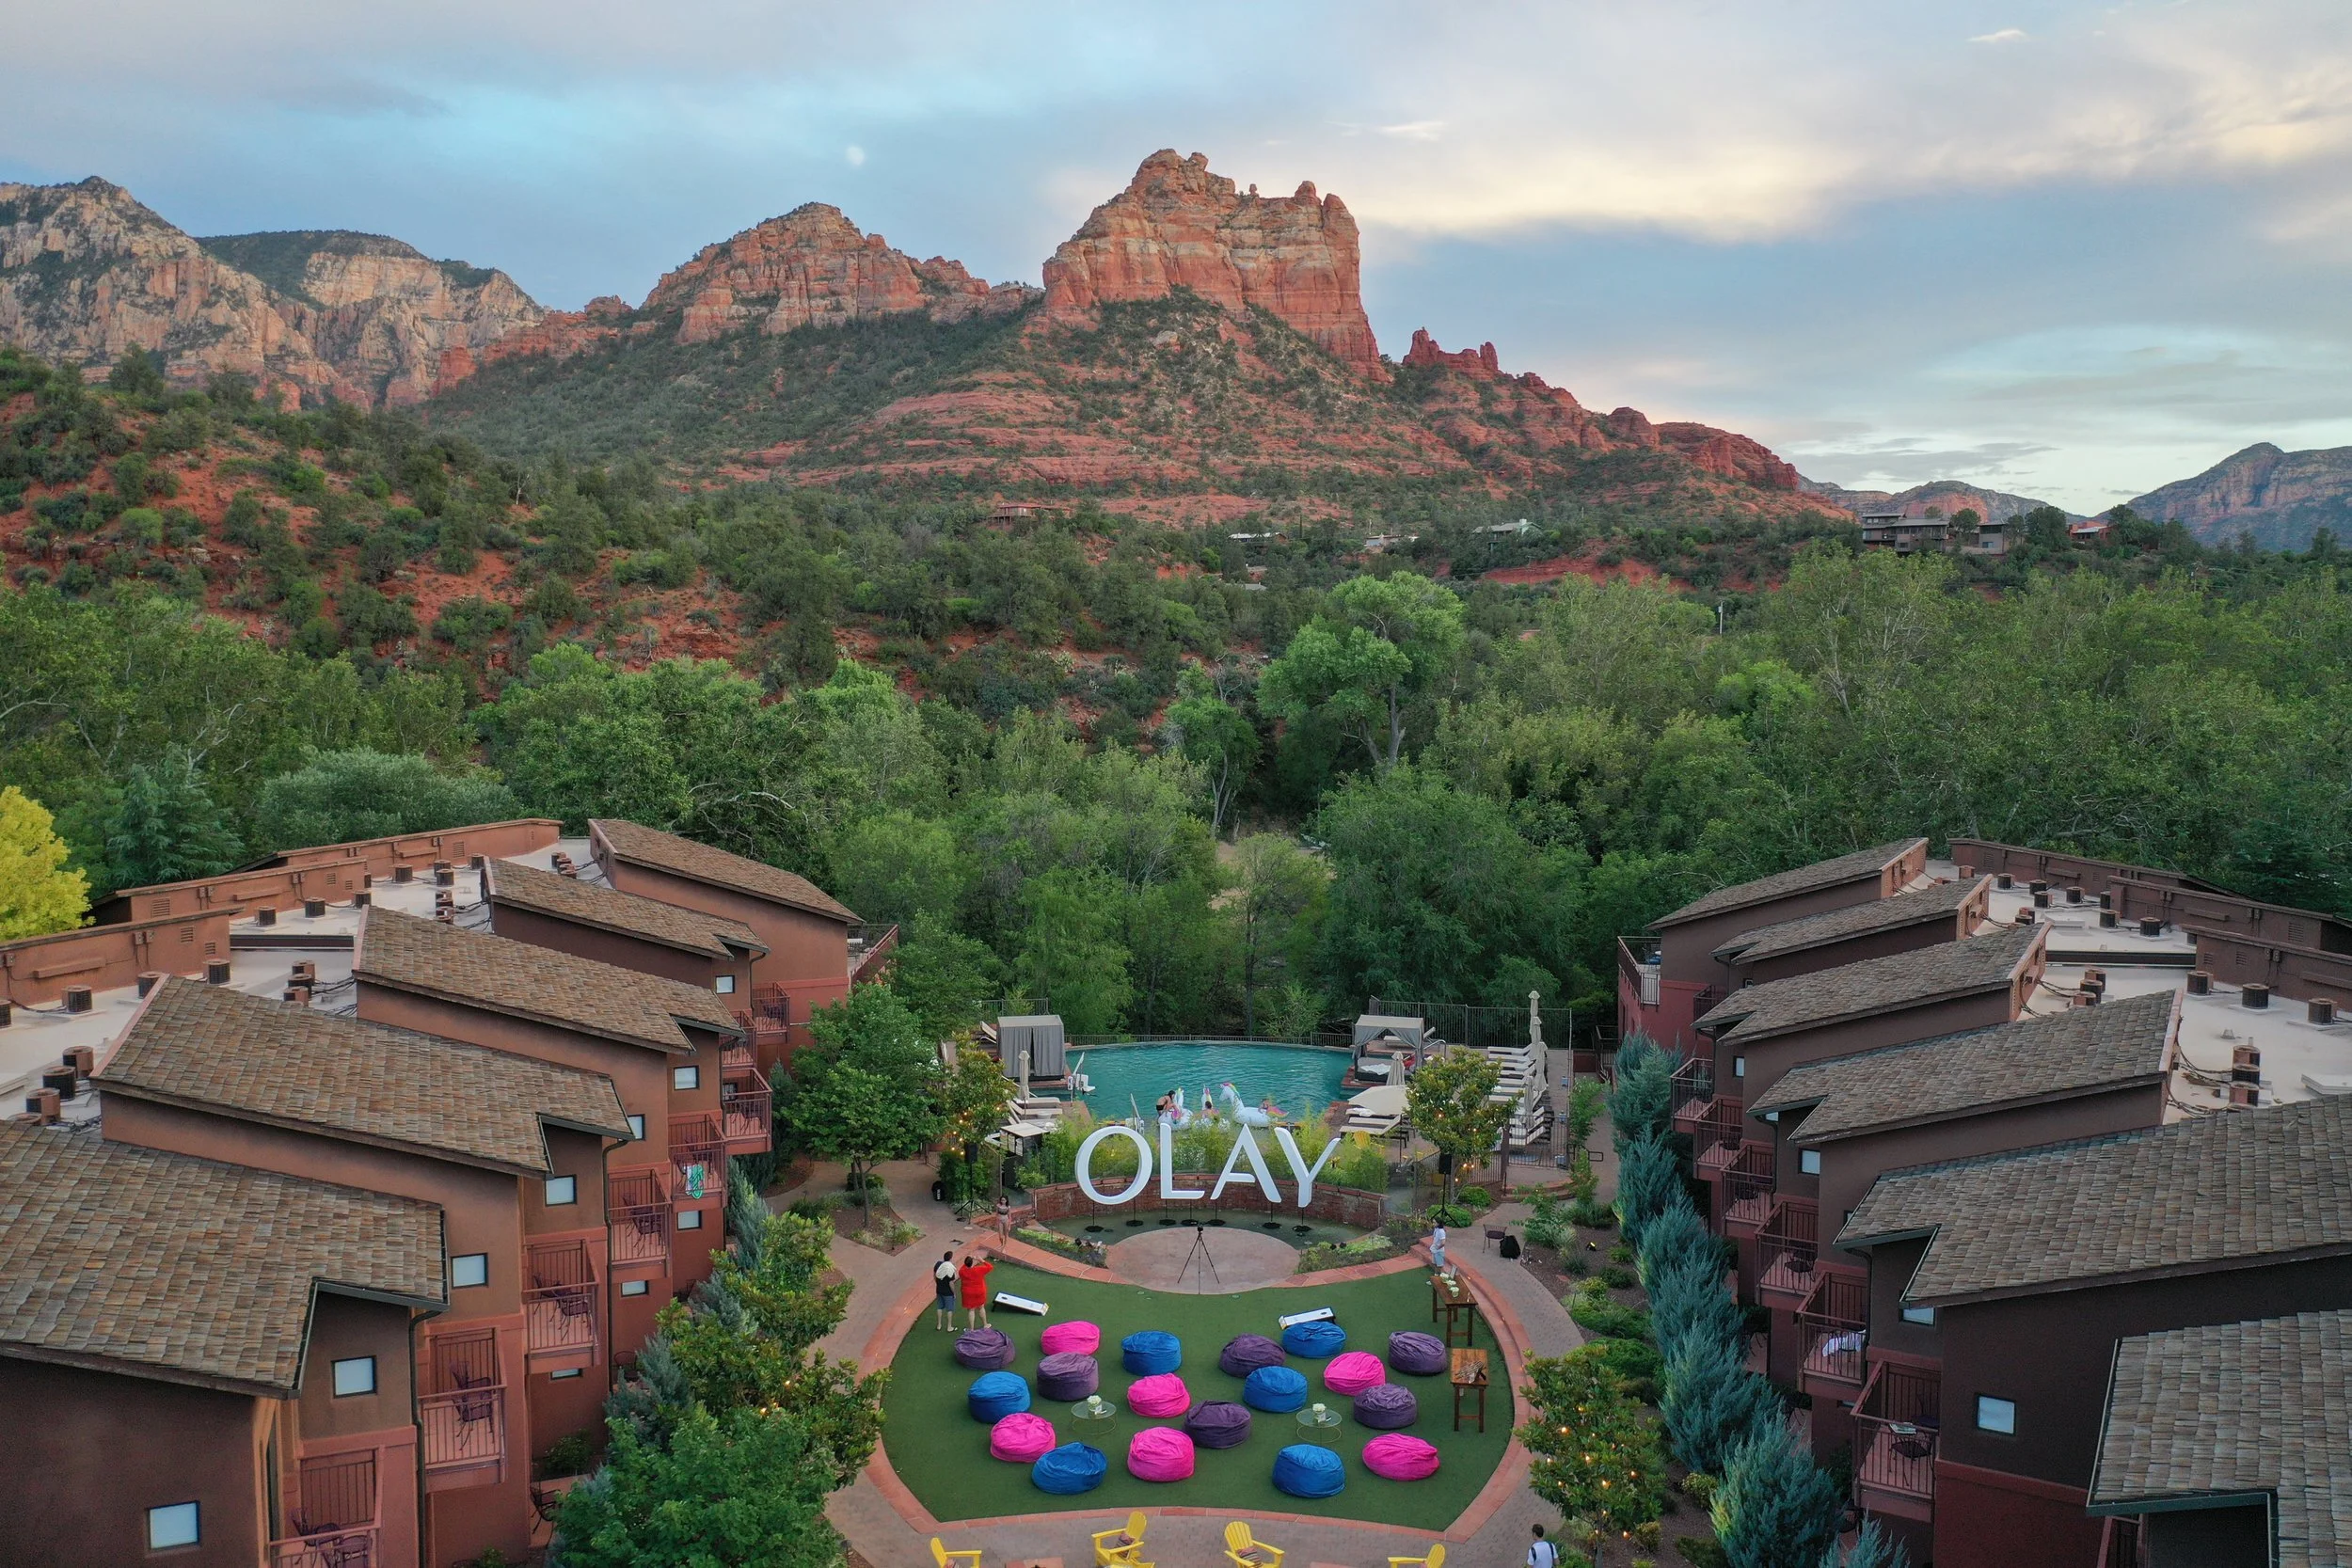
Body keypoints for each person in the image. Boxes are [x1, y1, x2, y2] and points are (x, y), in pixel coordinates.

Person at [958, 1253, 994, 1328]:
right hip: (979, 1291)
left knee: (971, 1310)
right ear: (972, 1263)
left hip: (968, 1293)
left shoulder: (962, 1271)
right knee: (981, 1307)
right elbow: (990, 1267)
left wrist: (969, 1260)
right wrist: (981, 1260)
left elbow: (964, 1266)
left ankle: (971, 1329)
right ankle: (985, 1324)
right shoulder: (979, 1269)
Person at [931, 1249, 958, 1331]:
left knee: (939, 1307)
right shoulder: (949, 1269)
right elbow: (951, 1283)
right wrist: (954, 1293)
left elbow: (934, 1275)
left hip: (939, 1290)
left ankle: (939, 1325)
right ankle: (949, 1327)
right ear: (950, 1259)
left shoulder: (938, 1264)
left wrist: (938, 1284)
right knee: (949, 1309)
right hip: (948, 1293)